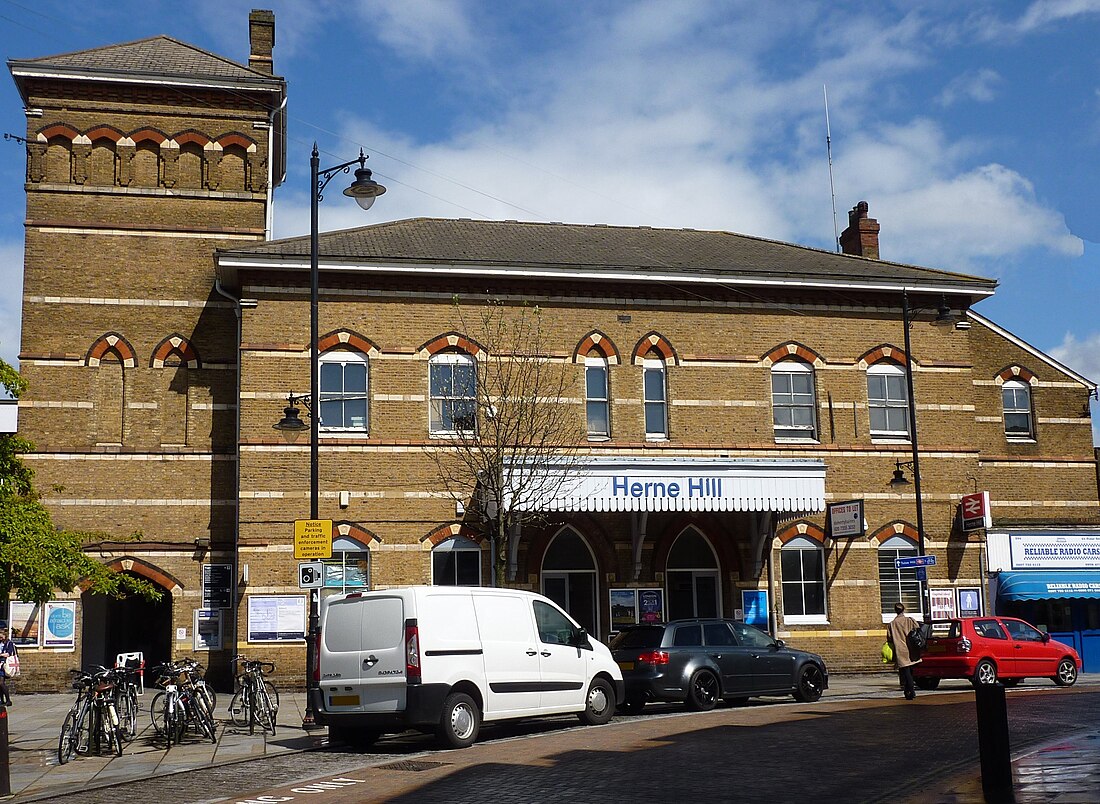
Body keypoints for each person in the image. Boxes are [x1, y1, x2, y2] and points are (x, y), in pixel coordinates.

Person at [886, 602, 921, 700]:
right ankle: (908, 691)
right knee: (909, 670)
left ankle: (910, 691)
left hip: (900, 649)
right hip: (911, 648)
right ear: (903, 609)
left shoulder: (892, 624)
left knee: (905, 671)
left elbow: (889, 638)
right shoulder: (910, 620)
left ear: (895, 611)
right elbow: (918, 629)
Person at [0, 628, 17, 706]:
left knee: (1, 683)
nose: (0, 638)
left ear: (5, 635)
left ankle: (8, 700)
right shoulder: (0, 643)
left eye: (1, 637)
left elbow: (9, 653)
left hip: (4, 665)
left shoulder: (9, 643)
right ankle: (2, 700)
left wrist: (0, 655)